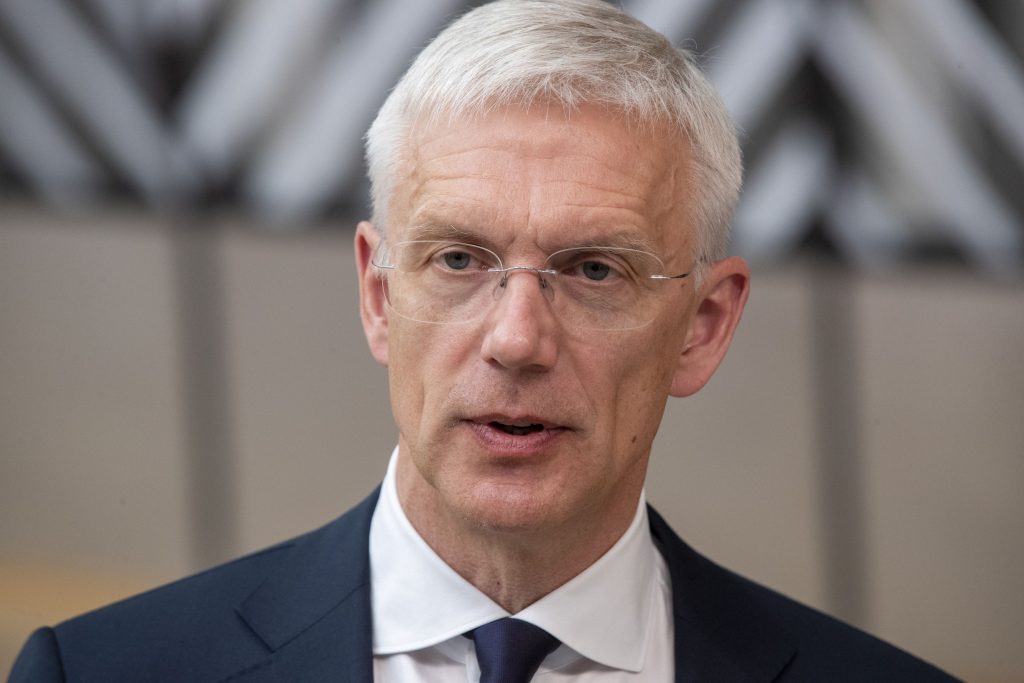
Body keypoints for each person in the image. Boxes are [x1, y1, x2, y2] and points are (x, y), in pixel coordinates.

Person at [10, 1, 959, 681]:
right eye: (461, 259)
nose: (516, 339)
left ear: (702, 328)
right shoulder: (97, 670)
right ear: (380, 295)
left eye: (594, 270)